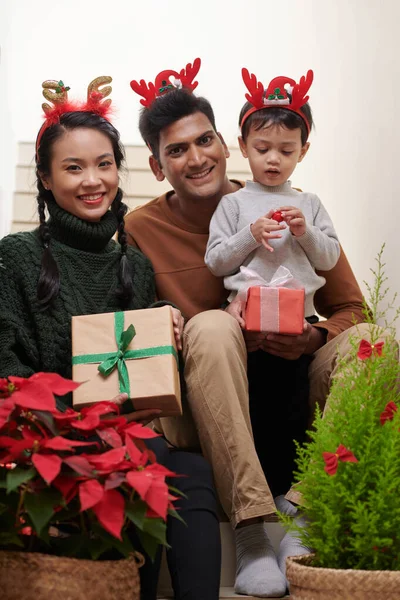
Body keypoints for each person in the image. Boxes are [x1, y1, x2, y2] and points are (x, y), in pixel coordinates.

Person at [125, 59, 378, 598]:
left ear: (225, 142)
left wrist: (311, 338)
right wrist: (159, 318)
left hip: (293, 387)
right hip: (213, 403)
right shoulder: (140, 230)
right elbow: (128, 333)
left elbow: (354, 310)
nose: (197, 159)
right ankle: (251, 530)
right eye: (176, 150)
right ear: (156, 165)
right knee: (214, 327)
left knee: (374, 346)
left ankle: (304, 507)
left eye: (205, 140)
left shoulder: (293, 207)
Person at [0, 77, 221, 600]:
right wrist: (77, 412)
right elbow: (7, 372)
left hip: (123, 441)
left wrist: (163, 335)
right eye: (73, 168)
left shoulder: (135, 267)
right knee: (128, 475)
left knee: (188, 468)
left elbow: (140, 383)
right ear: (47, 180)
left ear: (119, 171)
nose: (92, 180)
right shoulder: (16, 257)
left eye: (104, 164)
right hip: (46, 440)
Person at [204, 68, 341, 512]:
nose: (272, 159)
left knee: (294, 405)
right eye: (262, 149)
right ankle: (259, 491)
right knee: (256, 406)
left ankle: (289, 496)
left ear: (303, 151)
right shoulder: (232, 203)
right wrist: (248, 234)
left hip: (297, 324)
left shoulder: (310, 203)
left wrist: (305, 234)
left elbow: (329, 259)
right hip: (248, 322)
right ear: (242, 147)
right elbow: (216, 261)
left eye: (286, 150)